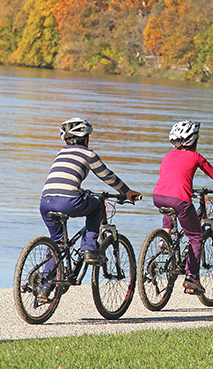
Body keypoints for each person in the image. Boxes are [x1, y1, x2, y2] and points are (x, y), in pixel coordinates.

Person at [38, 118, 141, 299]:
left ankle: (45, 287)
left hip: (45, 202)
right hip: (68, 201)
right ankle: (89, 249)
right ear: (86, 139)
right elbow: (107, 176)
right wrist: (127, 192)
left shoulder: (60, 153)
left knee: (57, 243)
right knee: (97, 207)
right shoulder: (88, 153)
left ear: (65, 140)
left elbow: (63, 180)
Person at [152, 120, 213, 295]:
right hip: (180, 200)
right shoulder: (196, 156)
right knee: (196, 237)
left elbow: (171, 179)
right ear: (194, 140)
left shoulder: (168, 156)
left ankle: (165, 237)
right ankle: (192, 278)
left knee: (171, 204)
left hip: (158, 197)